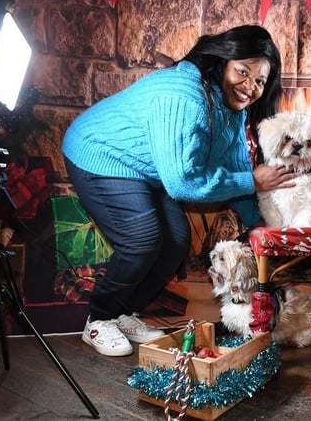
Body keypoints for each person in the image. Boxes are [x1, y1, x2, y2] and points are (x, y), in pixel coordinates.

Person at [61, 25, 297, 357]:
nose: (251, 87)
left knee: (175, 241)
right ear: (223, 60)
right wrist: (254, 182)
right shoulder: (186, 97)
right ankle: (98, 319)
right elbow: (184, 183)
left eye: (259, 81)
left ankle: (123, 313)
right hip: (100, 153)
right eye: (243, 72)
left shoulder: (230, 106)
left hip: (147, 169)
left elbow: (237, 167)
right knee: (142, 239)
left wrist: (257, 224)